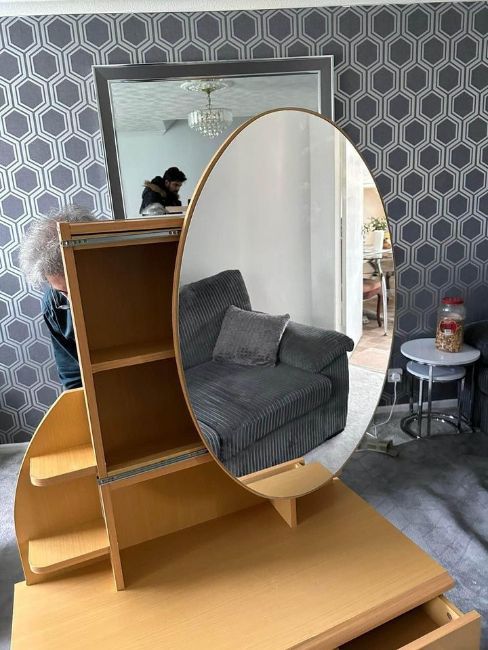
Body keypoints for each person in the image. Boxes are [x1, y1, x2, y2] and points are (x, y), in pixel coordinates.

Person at [19, 205, 98, 390]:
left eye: (80, 288)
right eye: (64, 292)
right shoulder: (54, 305)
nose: (73, 302)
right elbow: (73, 378)